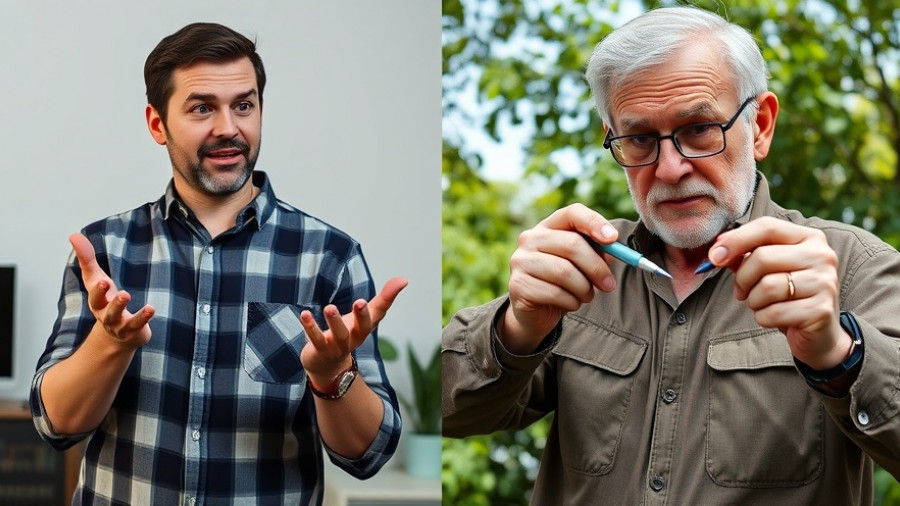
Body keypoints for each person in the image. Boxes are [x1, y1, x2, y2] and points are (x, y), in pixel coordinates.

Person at [442, 6, 900, 505]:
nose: (670, 168)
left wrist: (838, 353)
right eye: (640, 139)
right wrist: (516, 328)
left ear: (761, 126)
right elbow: (437, 413)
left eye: (699, 128)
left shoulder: (852, 266)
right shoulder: (580, 266)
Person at [31, 22, 406, 505]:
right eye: (202, 107)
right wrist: (109, 342)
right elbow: (54, 424)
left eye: (243, 105)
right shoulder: (104, 251)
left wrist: (333, 375)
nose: (228, 127)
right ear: (156, 124)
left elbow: (367, 454)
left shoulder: (329, 257)